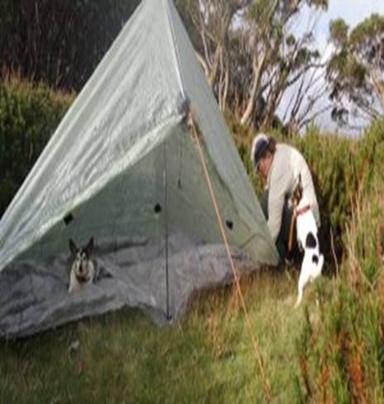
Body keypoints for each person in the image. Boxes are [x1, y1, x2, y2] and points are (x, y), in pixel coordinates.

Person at [250, 133, 320, 263]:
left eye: (259, 168)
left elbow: (274, 226)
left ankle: (280, 261)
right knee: (266, 200)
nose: (261, 173)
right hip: (303, 214)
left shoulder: (278, 171)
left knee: (273, 228)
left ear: (265, 159)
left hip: (305, 223)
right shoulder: (280, 153)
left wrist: (257, 253)